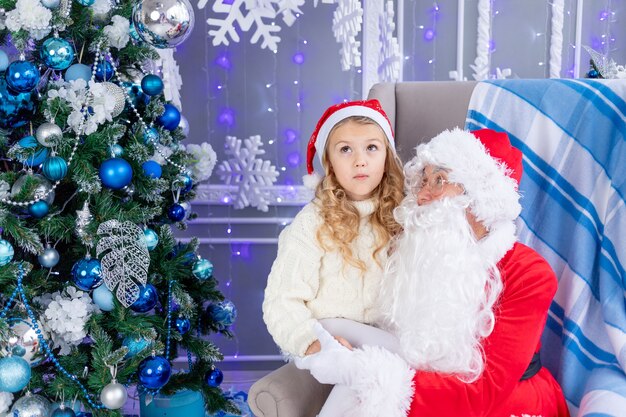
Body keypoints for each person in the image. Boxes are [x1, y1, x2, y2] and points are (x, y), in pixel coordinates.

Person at [296, 128, 571, 417]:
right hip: (425, 378)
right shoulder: (418, 253)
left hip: (499, 403)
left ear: (479, 195)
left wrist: (362, 370)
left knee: (361, 385)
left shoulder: (529, 273)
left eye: (439, 181)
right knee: (330, 332)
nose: (423, 195)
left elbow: (483, 393)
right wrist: (345, 350)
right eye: (422, 181)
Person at [262, 99, 405, 415]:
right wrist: (314, 344)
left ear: (386, 158)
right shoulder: (312, 223)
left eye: (371, 148)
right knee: (380, 366)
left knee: (380, 372)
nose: (359, 161)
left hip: (384, 343)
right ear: (328, 162)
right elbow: (280, 301)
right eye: (345, 150)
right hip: (332, 341)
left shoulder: (403, 217)